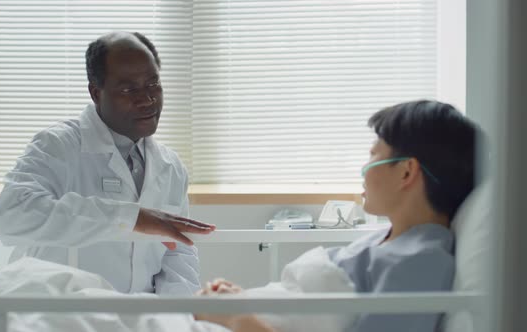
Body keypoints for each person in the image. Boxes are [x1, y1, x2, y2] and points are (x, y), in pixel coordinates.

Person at [194, 100, 482, 332]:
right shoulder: (389, 240)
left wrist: (235, 316)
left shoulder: (421, 262)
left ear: (406, 171)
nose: (364, 168)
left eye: (373, 155)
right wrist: (241, 300)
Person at [0, 31, 215, 295]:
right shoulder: (57, 145)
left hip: (138, 320)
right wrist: (130, 218)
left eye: (152, 84)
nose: (146, 99)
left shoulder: (170, 166)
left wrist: (178, 317)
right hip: (63, 315)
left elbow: (178, 257)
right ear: (96, 92)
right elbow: (14, 214)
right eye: (128, 89)